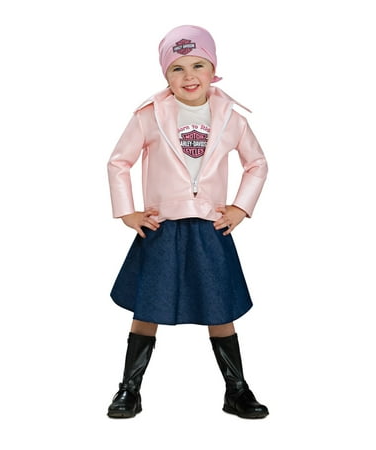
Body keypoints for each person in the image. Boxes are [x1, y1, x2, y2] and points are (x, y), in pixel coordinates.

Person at [106, 25, 269, 419]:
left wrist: (240, 208)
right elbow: (119, 162)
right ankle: (129, 389)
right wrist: (127, 211)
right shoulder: (149, 116)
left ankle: (237, 390)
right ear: (166, 75)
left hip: (210, 226)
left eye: (198, 65)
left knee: (221, 309)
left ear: (214, 70)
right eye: (177, 68)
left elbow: (257, 163)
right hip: (162, 226)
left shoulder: (231, 119)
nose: (189, 76)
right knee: (147, 308)